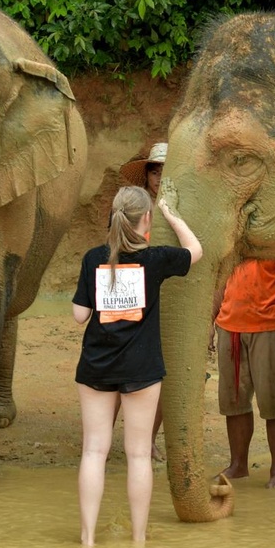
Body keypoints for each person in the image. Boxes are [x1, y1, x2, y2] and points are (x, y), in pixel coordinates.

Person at [72, 185, 202, 546]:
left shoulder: (93, 258)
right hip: (141, 368)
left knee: (94, 451)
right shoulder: (156, 259)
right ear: (146, 220)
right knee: (139, 453)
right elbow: (196, 251)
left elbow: (79, 315)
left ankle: (87, 540)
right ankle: (139, 541)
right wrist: (173, 216)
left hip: (96, 366)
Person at [213, 258, 275, 489]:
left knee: (274, 401)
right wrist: (209, 322)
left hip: (270, 326)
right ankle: (238, 465)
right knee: (233, 401)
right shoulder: (233, 236)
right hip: (229, 326)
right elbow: (220, 280)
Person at [119, 141, 168, 459]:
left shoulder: (180, 209)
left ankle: (147, 438)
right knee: (123, 371)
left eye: (165, 170)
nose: (159, 176)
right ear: (147, 174)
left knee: (159, 374)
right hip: (129, 299)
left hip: (166, 302)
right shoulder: (134, 210)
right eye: (155, 170)